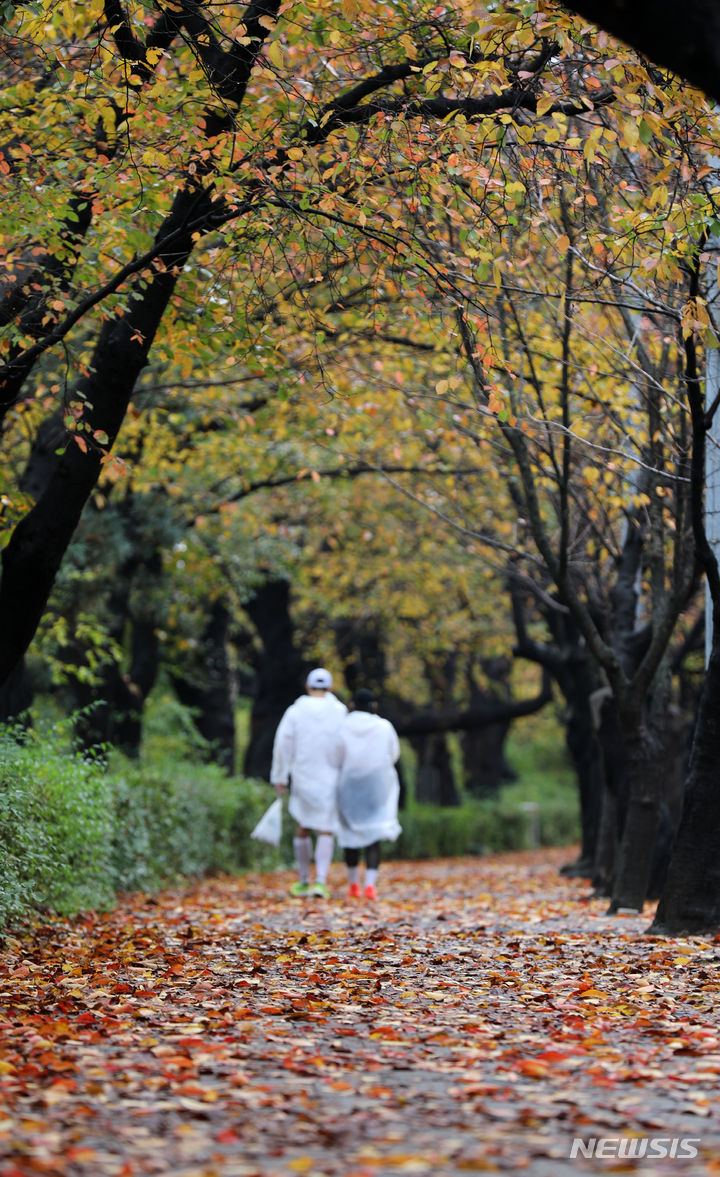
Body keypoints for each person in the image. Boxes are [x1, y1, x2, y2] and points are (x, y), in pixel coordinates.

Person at [271, 667, 347, 898]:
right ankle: (321, 881)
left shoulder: (295, 711)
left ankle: (303, 880)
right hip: (331, 776)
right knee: (326, 828)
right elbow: (346, 744)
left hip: (303, 775)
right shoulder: (340, 711)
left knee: (303, 825)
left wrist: (280, 776)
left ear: (308, 686)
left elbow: (283, 743)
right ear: (330, 688)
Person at [334, 688, 402, 900]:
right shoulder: (384, 726)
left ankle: (353, 883)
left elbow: (336, 755)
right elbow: (394, 754)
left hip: (349, 784)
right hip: (377, 784)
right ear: (374, 705)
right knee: (374, 832)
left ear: (352, 705)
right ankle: (370, 885)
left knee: (350, 833)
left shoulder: (342, 726)